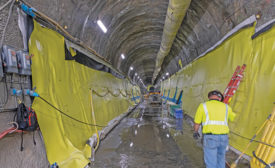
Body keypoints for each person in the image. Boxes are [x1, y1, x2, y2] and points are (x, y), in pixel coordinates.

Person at [193, 90, 236, 168]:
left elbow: (197, 122)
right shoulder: (226, 107)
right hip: (224, 138)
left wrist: (195, 132)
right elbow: (232, 118)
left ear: (209, 97)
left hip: (210, 138)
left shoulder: (203, 106)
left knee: (210, 161)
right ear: (219, 98)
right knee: (221, 159)